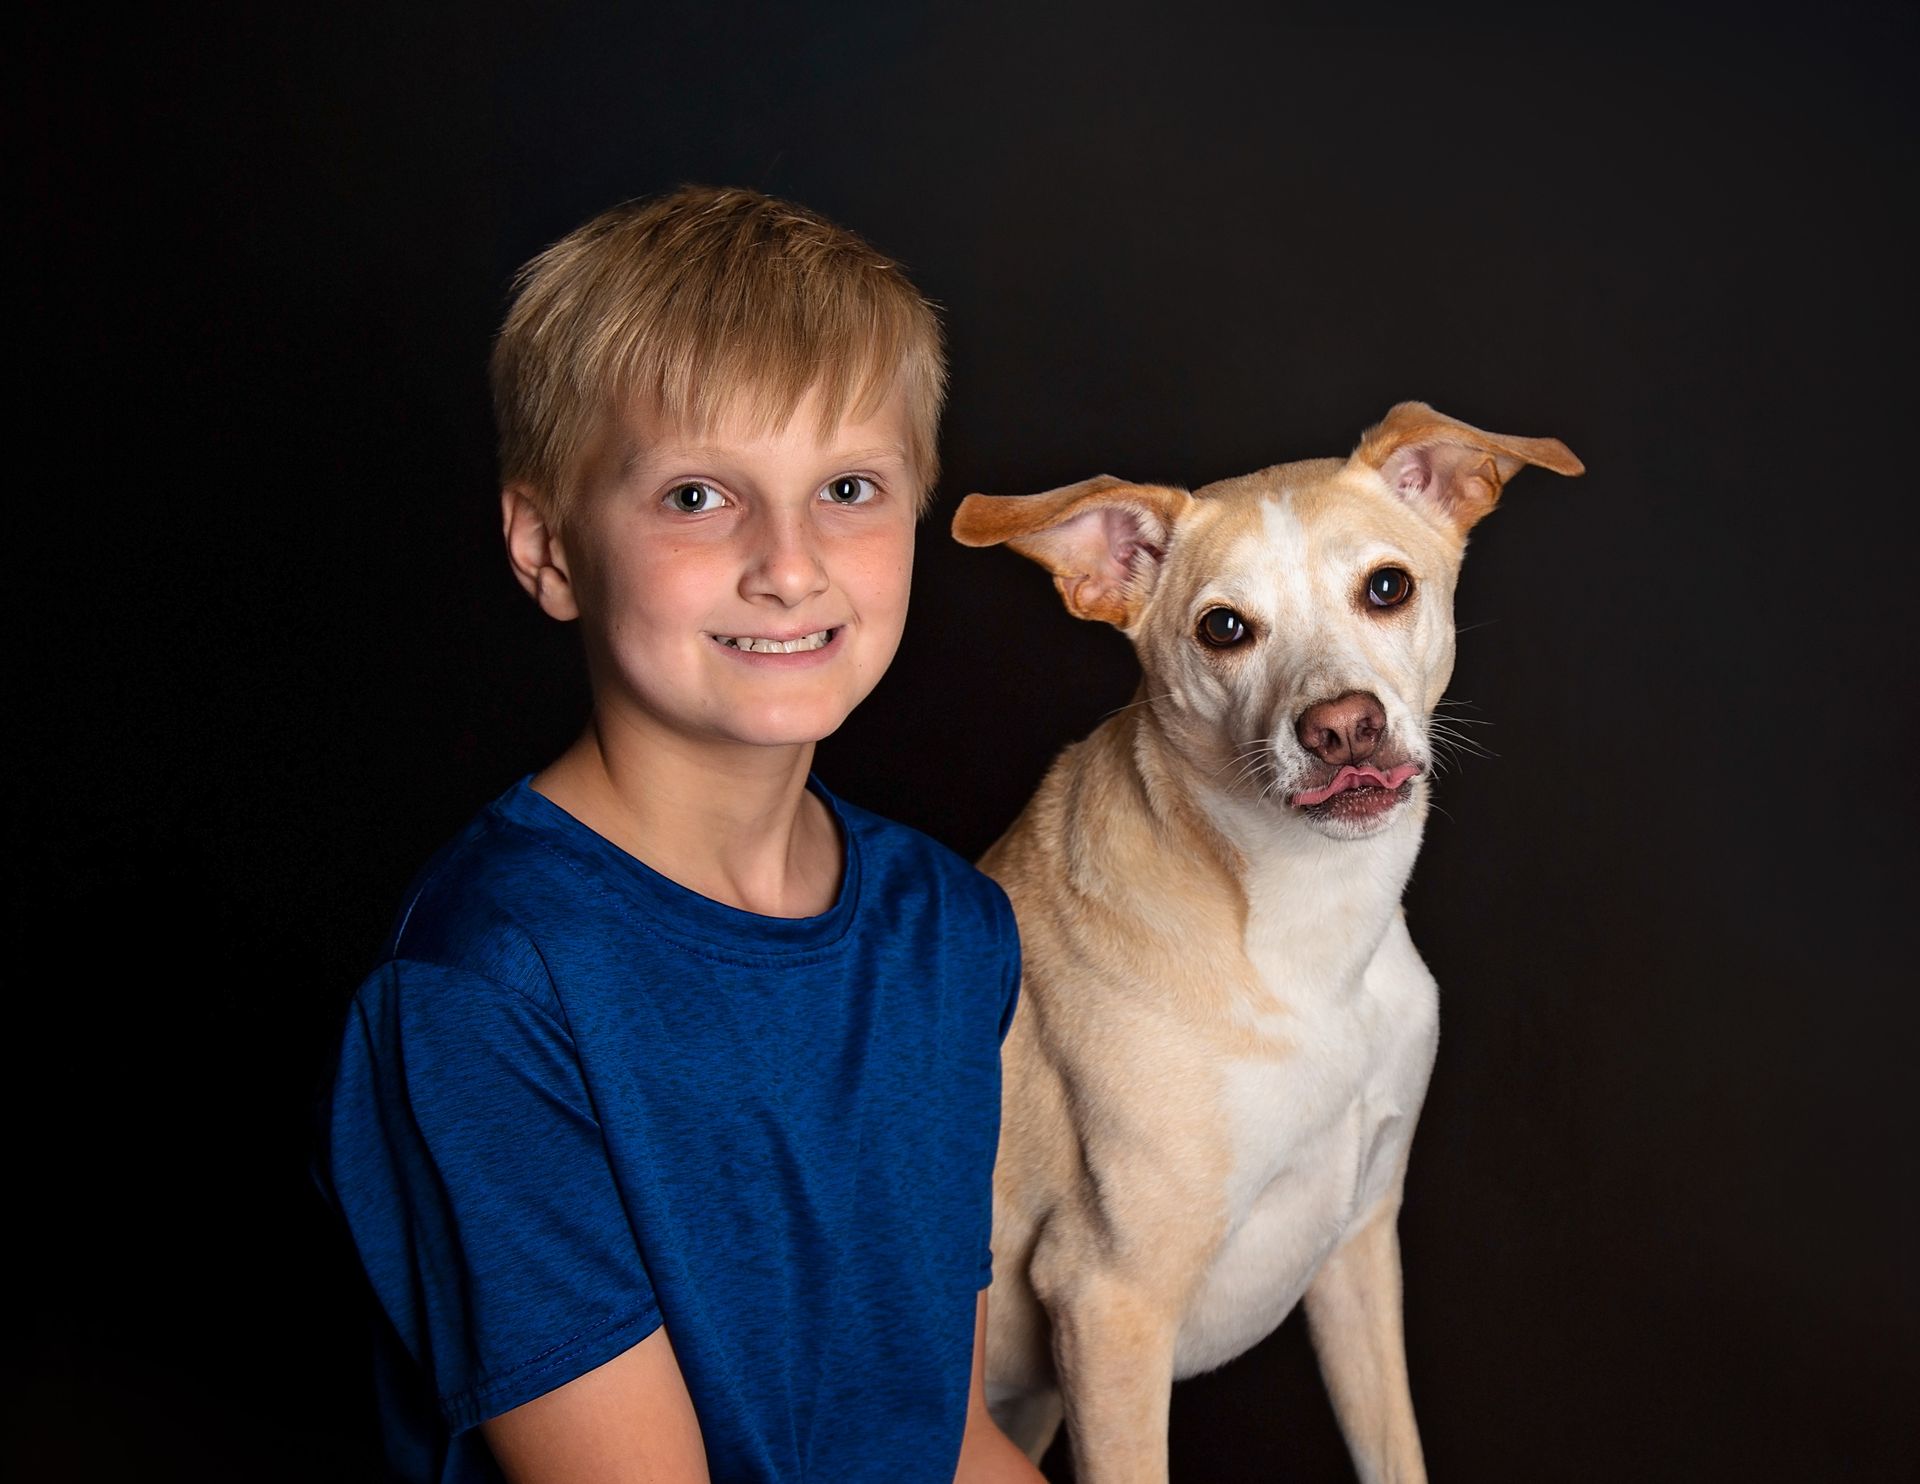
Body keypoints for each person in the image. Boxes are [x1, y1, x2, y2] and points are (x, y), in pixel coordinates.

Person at [319, 185, 1043, 1484]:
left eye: (849, 487)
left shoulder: (952, 929)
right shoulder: (485, 991)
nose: (788, 563)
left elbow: (944, 1441)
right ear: (548, 550)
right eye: (700, 496)